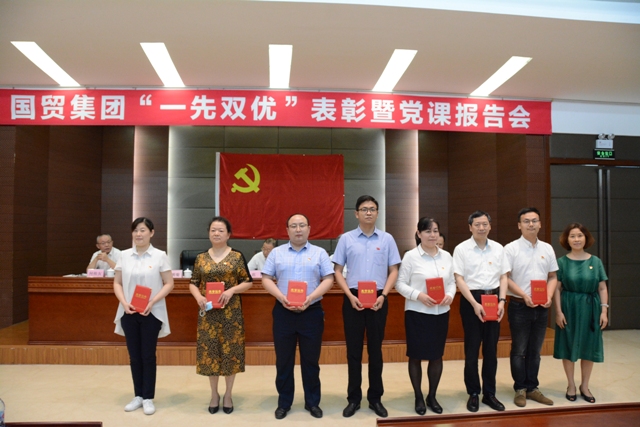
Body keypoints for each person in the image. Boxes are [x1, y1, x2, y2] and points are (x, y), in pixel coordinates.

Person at [332, 195, 401, 418]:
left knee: (375, 351)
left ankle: (375, 398)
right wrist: (349, 296)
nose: (368, 212)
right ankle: (353, 399)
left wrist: (385, 295)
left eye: (372, 209)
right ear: (356, 213)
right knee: (353, 351)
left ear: (377, 213)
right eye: (364, 209)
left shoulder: (387, 239)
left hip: (379, 299)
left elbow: (394, 270)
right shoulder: (346, 239)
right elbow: (337, 271)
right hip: (353, 298)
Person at [261, 214, 335, 420]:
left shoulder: (320, 253)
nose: (298, 229)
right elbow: (266, 278)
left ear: (309, 228)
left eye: (302, 225)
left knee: (311, 361)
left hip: (311, 312)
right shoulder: (277, 253)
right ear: (287, 230)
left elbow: (329, 279)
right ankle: (284, 402)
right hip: (283, 312)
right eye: (293, 226)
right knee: (283, 360)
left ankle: (312, 402)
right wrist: (281, 297)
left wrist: (311, 298)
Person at [189, 216, 253, 414]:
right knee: (210, 353)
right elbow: (193, 282)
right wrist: (198, 296)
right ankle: (214, 394)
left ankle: (228, 395)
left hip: (230, 314)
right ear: (209, 233)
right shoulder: (201, 258)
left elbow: (248, 282)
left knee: (230, 353)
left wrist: (232, 290)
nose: (216, 233)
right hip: (208, 313)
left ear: (228, 234)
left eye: (220, 230)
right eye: (213, 230)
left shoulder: (236, 256)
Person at [113, 217, 174, 416]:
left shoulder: (160, 256)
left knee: (147, 355)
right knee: (134, 356)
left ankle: (148, 397)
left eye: (142, 230)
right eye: (135, 230)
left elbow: (169, 283)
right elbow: (117, 283)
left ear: (151, 233)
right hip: (129, 311)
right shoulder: (124, 255)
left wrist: (152, 301)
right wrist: (124, 302)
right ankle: (137, 395)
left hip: (151, 312)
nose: (138, 234)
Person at [395, 217, 455, 415]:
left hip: (440, 313)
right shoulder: (411, 256)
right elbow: (400, 284)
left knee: (436, 356)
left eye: (435, 231)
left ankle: (432, 396)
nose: (432, 235)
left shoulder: (446, 256)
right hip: (417, 313)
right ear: (419, 234)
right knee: (416, 356)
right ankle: (418, 396)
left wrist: (450, 295)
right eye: (428, 231)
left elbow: (452, 282)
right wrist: (418, 295)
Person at [453, 210, 508, 413]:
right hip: (471, 300)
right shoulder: (461, 249)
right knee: (472, 349)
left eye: (485, 224)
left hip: (494, 299)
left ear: (490, 226)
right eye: (477, 224)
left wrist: (502, 301)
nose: (481, 227)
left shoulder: (498, 248)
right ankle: (474, 393)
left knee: (491, 350)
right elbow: (459, 278)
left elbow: (504, 276)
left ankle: (489, 393)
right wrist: (474, 304)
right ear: (470, 227)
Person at [504, 208, 558, 407]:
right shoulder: (511, 249)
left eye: (535, 220)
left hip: (542, 307)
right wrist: (524, 295)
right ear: (519, 225)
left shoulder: (547, 248)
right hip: (519, 306)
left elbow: (552, 276)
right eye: (526, 221)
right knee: (519, 349)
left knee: (535, 350)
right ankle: (520, 388)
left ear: (540, 224)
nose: (531, 224)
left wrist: (549, 295)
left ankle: (532, 388)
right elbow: (505, 278)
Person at [553, 223, 608, 404]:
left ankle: (585, 385)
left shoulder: (596, 261)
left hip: (591, 308)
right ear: (567, 240)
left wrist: (604, 311)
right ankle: (571, 385)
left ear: (586, 238)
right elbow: (557, 289)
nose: (576, 239)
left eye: (580, 236)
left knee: (588, 346)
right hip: (569, 308)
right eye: (572, 236)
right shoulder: (561, 262)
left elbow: (602, 287)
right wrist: (558, 312)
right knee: (568, 345)